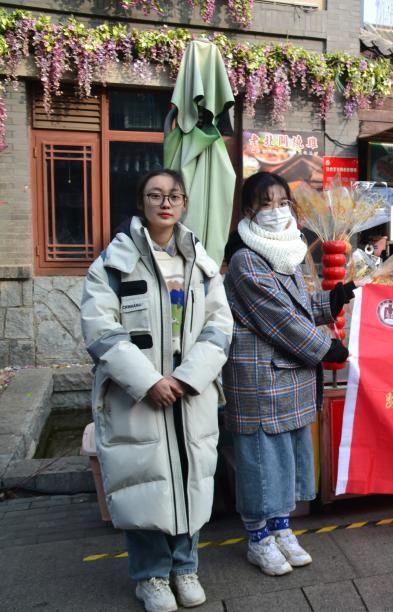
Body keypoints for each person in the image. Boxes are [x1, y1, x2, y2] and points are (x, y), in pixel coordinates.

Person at [80, 169, 233, 612]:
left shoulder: (200, 261)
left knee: (190, 476)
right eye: (155, 195)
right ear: (141, 202)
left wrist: (187, 378)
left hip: (189, 394)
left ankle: (185, 567)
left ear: (184, 203)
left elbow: (220, 325)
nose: (165, 203)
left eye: (174, 195)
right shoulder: (113, 262)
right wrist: (148, 382)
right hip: (136, 396)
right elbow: (100, 329)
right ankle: (150, 575)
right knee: (143, 483)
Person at [222, 172, 353, 576]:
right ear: (248, 211)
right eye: (266, 204)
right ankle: (258, 539)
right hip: (260, 378)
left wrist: (332, 300)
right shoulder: (246, 260)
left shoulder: (287, 251)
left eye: (283, 203)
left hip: (289, 375)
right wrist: (325, 347)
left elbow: (298, 306)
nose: (276, 212)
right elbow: (280, 319)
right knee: (262, 461)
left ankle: (281, 529)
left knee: (287, 461)